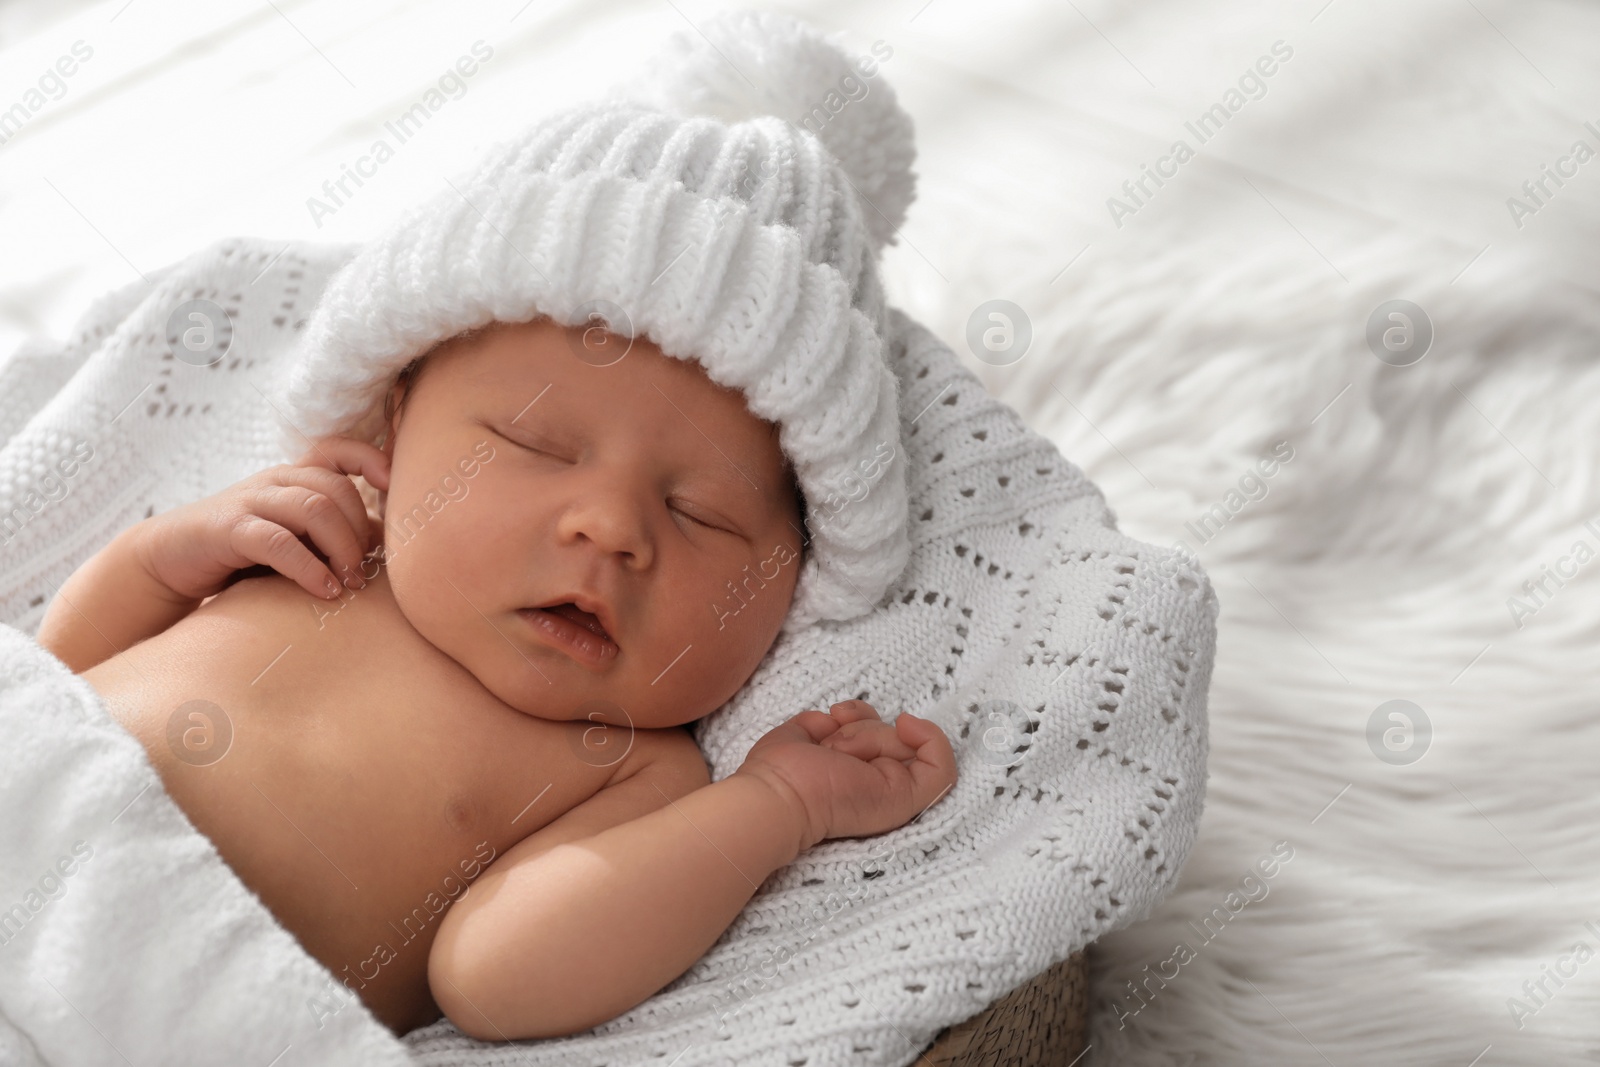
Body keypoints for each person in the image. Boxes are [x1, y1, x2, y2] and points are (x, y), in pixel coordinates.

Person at [34, 10, 957, 1041]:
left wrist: (775, 808)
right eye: (537, 446)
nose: (609, 528)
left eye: (699, 513)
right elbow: (54, 686)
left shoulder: (633, 766)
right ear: (393, 420)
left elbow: (499, 977)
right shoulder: (318, 547)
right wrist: (155, 558)